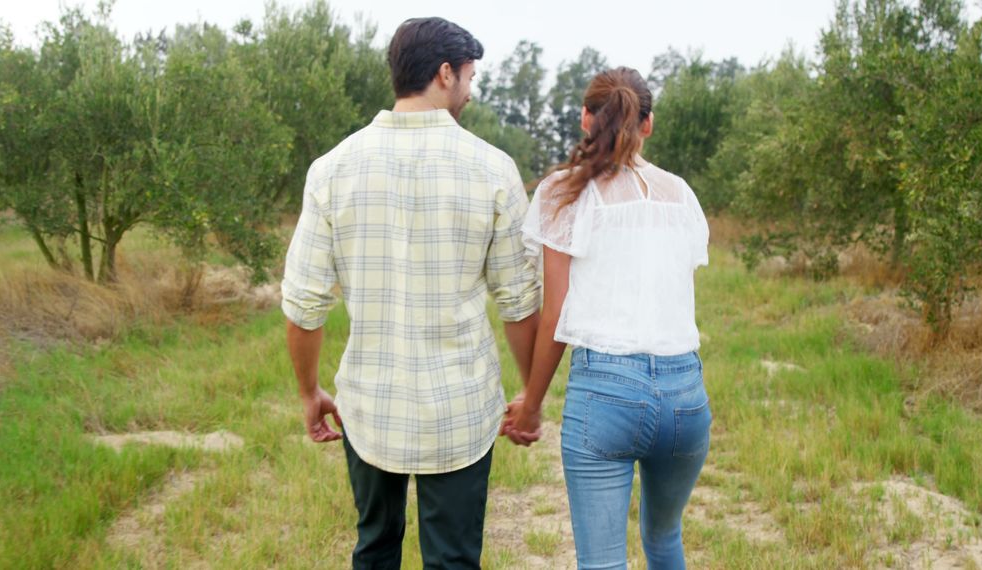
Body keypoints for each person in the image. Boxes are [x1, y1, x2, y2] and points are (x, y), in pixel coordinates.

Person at [281, 17, 541, 570]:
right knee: (452, 560)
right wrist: (528, 394)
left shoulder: (331, 170)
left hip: (369, 404)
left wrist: (309, 392)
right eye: (469, 76)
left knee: (374, 548)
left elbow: (304, 305)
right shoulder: (494, 170)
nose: (470, 90)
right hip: (461, 406)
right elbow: (518, 303)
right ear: (444, 73)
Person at [504, 67, 712, 569]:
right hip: (685, 393)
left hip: (607, 393)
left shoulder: (564, 193)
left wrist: (531, 405)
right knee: (664, 539)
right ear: (648, 125)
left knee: (601, 564)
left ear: (585, 119)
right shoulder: (680, 194)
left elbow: (555, 311)